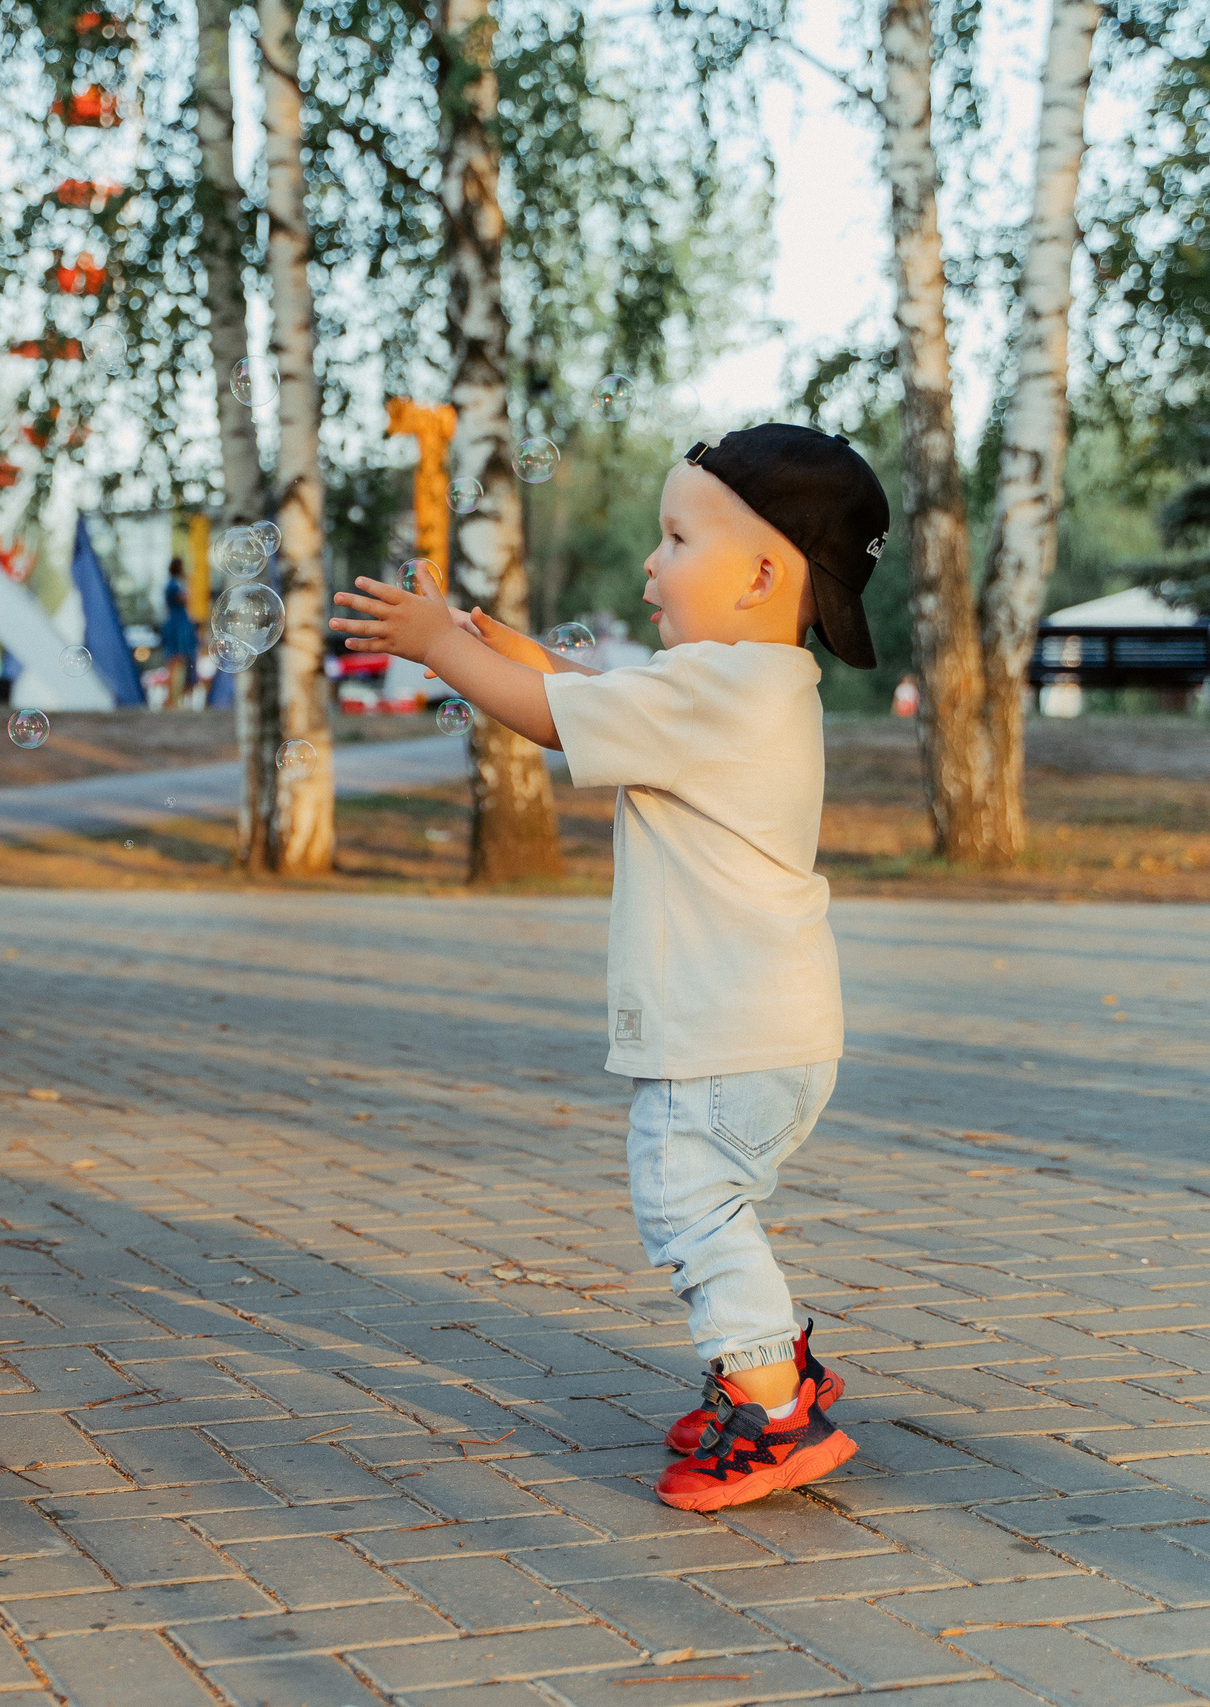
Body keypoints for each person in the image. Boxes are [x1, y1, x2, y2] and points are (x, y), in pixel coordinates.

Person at [331, 424, 888, 1511]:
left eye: (676, 536)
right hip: (768, 1027)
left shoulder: (713, 691)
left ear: (763, 573)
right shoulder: (752, 684)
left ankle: (772, 1408)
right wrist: (482, 637)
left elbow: (551, 714)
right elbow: (583, 687)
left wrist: (439, 649)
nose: (650, 560)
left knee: (690, 1205)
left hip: (724, 1032)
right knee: (710, 1203)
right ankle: (767, 1367)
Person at [158, 557, 201, 710]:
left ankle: (173, 698)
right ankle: (171, 699)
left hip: (177, 625)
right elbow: (185, 598)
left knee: (177, 662)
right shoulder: (175, 585)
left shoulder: (172, 583)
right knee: (177, 661)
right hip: (179, 627)